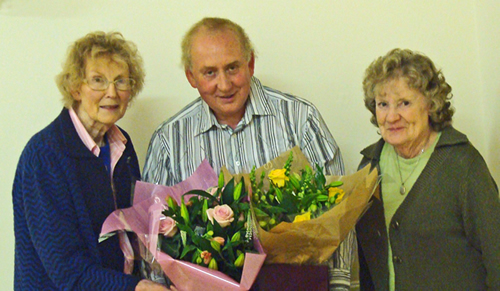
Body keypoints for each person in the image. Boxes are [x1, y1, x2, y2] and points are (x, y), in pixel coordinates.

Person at [143, 17, 354, 290]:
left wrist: (339, 286)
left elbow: (341, 211)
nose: (225, 84)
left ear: (250, 63)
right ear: (191, 76)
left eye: (232, 68)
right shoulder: (168, 141)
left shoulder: (301, 118)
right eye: (209, 73)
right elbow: (152, 238)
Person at [13, 31, 171, 291]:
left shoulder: (122, 144)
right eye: (98, 81)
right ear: (75, 87)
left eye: (121, 82)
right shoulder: (44, 155)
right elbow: (66, 271)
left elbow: (132, 231)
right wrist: (136, 288)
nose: (112, 92)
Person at [356, 48, 500, 290]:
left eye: (404, 103)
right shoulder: (369, 166)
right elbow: (368, 266)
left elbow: (496, 254)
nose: (391, 117)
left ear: (431, 105)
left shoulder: (462, 164)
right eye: (383, 104)